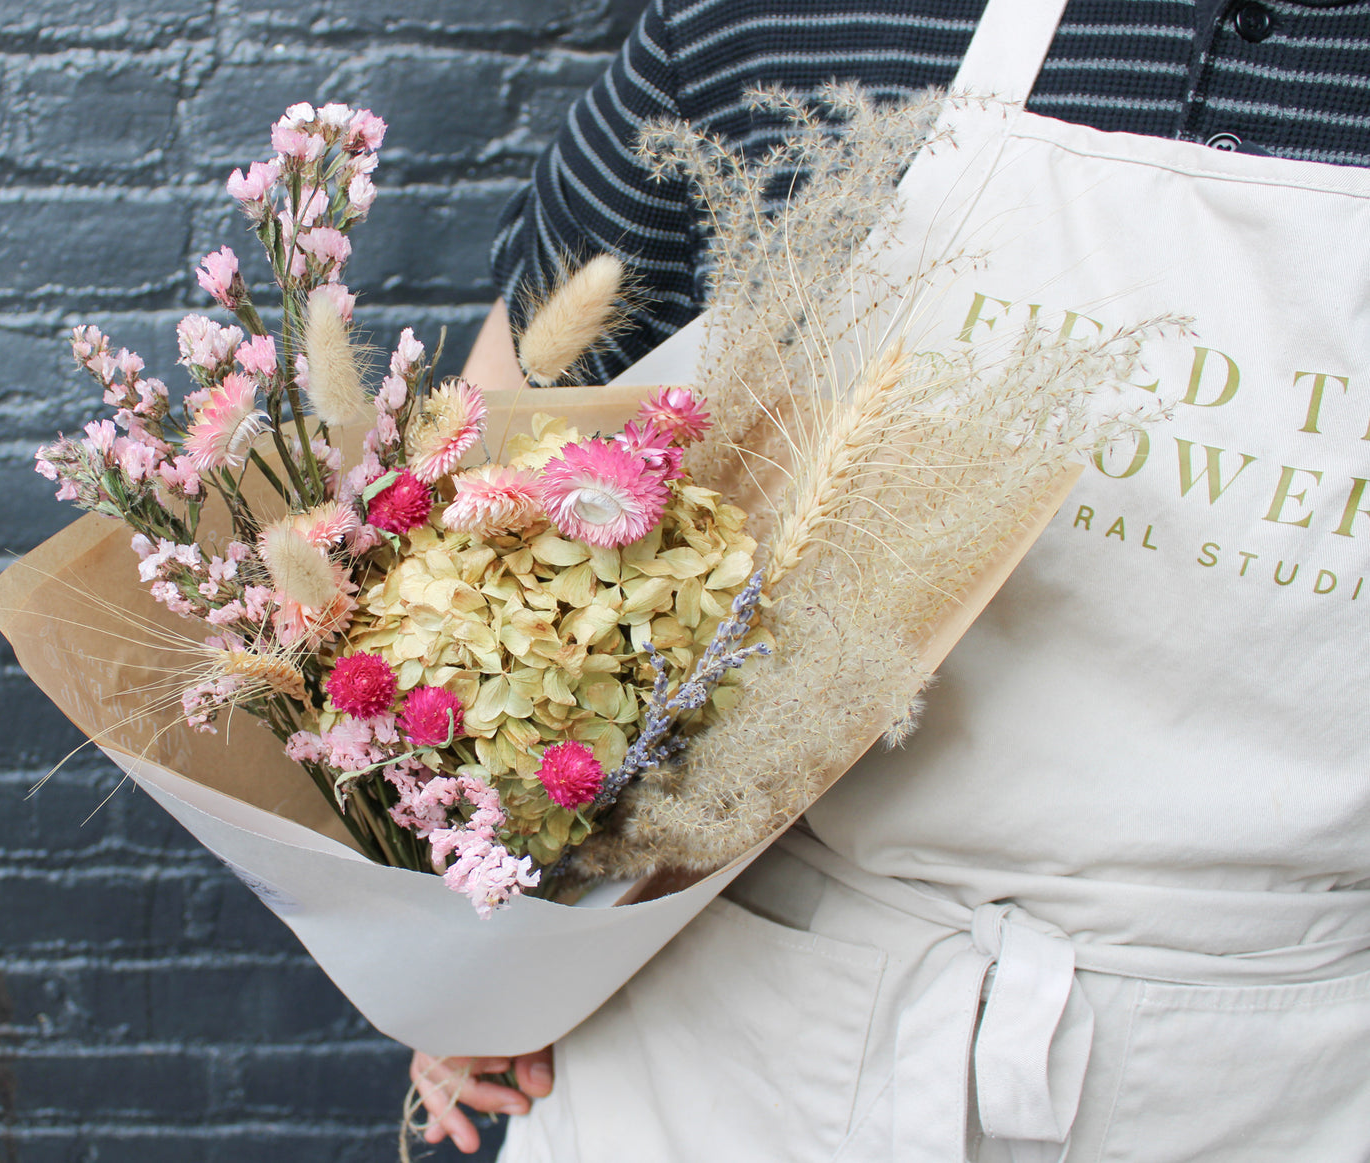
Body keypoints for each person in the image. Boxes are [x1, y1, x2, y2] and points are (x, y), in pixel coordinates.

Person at [415, 0, 1370, 1158]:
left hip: (1278, 1084)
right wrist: (461, 929)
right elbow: (476, 482)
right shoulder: (774, 23)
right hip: (721, 1050)